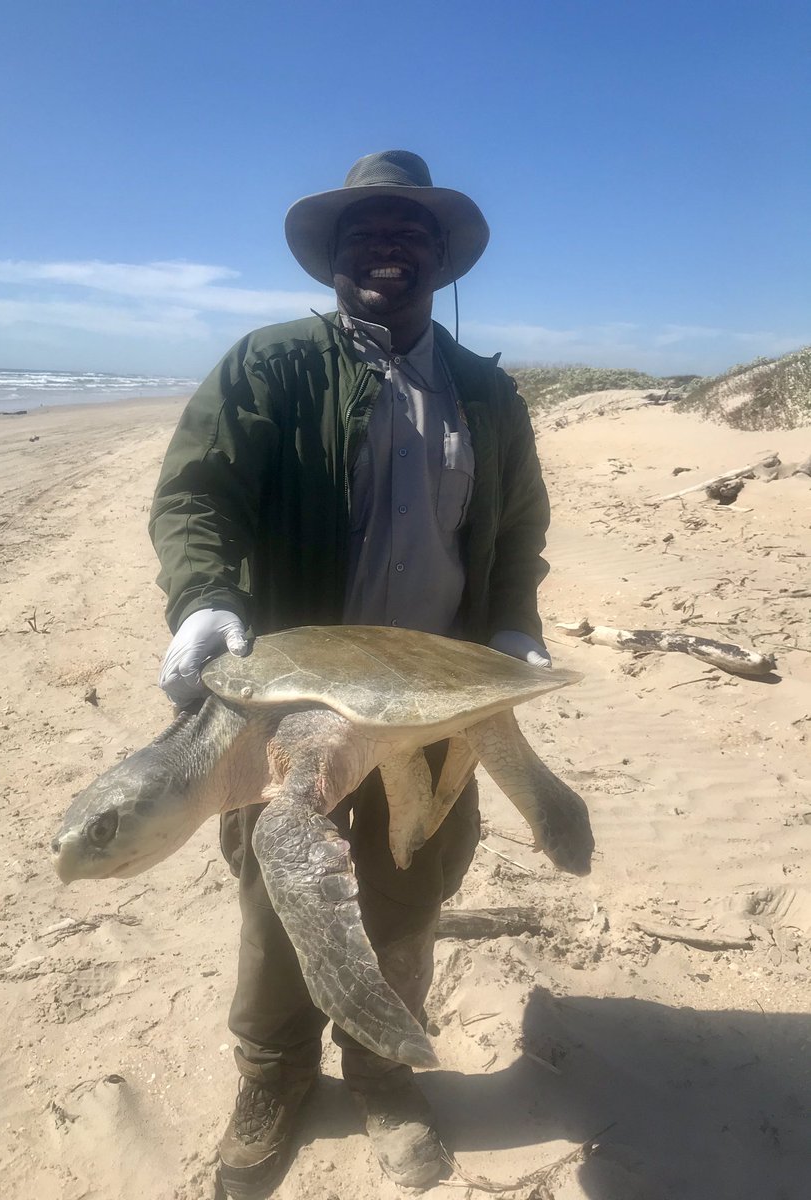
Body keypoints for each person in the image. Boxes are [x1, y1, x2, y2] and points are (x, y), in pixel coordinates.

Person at [149, 150, 552, 1197]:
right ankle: (273, 1077)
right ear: (334, 256)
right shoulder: (271, 366)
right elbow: (198, 496)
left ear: (440, 257)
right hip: (294, 704)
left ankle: (382, 1073)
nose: (389, 246)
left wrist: (514, 627)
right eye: (367, 232)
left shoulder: (487, 392)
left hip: (433, 706)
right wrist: (204, 600)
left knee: (411, 891)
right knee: (281, 890)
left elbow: (517, 528)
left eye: (410, 232)